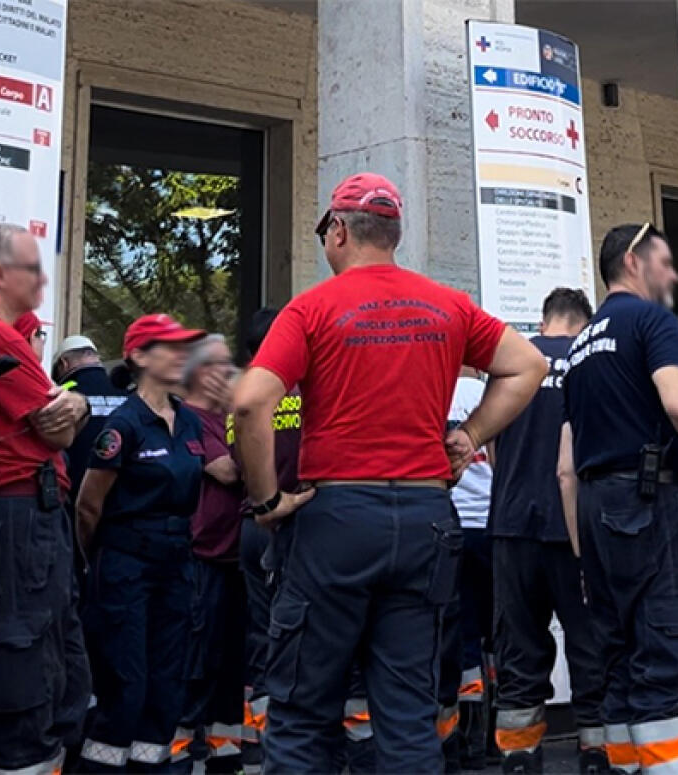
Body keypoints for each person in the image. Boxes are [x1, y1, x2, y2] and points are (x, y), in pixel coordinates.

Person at [232, 172, 546, 773]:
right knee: (407, 711)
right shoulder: (446, 304)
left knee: (301, 711)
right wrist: (470, 437)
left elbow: (250, 403)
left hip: (337, 522)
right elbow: (525, 365)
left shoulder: (312, 308)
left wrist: (267, 501)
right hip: (427, 521)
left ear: (341, 231)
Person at [559, 223, 678, 775]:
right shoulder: (651, 321)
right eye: (663, 262)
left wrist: (580, 548)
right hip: (649, 504)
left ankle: (625, 766)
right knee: (664, 656)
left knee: (617, 657)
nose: (672, 275)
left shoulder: (581, 345)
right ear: (634, 262)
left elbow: (565, 467)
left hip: (596, 511)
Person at [0, 222, 92, 774]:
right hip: (13, 518)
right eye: (30, 267)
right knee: (28, 684)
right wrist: (70, 412)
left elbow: (64, 410)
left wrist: (73, 407)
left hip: (24, 518)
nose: (41, 279)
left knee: (53, 673)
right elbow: (55, 429)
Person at [76, 313, 207, 772]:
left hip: (176, 565)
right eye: (168, 347)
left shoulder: (189, 423)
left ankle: (152, 768)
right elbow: (88, 506)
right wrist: (103, 563)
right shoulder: (123, 424)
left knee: (167, 686)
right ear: (138, 356)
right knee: (125, 686)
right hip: (126, 565)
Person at [489, 288, 605, 775]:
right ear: (583, 322)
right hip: (572, 528)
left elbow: (493, 446)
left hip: (513, 524)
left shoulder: (515, 365)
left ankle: (519, 754)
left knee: (519, 642)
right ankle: (596, 750)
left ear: (545, 319)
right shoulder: (587, 363)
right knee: (588, 640)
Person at [234, 307, 303, 774]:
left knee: (261, 636)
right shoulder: (304, 393)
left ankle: (260, 749)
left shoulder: (241, 399)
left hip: (251, 524)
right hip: (294, 521)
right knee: (302, 634)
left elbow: (233, 463)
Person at [175, 334, 247, 773]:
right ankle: (184, 758)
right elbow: (226, 470)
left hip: (237, 556)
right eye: (222, 364)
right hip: (202, 557)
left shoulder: (233, 416)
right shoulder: (187, 418)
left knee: (231, 667)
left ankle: (226, 757)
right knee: (194, 665)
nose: (232, 372)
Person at [440, 367, 496, 771]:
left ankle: (464, 742)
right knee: (500, 634)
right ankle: (493, 737)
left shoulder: (437, 392)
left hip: (454, 527)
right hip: (493, 525)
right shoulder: (489, 394)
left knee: (463, 637)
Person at [52, 334, 128, 513]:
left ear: (64, 364)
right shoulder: (127, 392)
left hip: (77, 502)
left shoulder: (62, 395)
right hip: (126, 504)